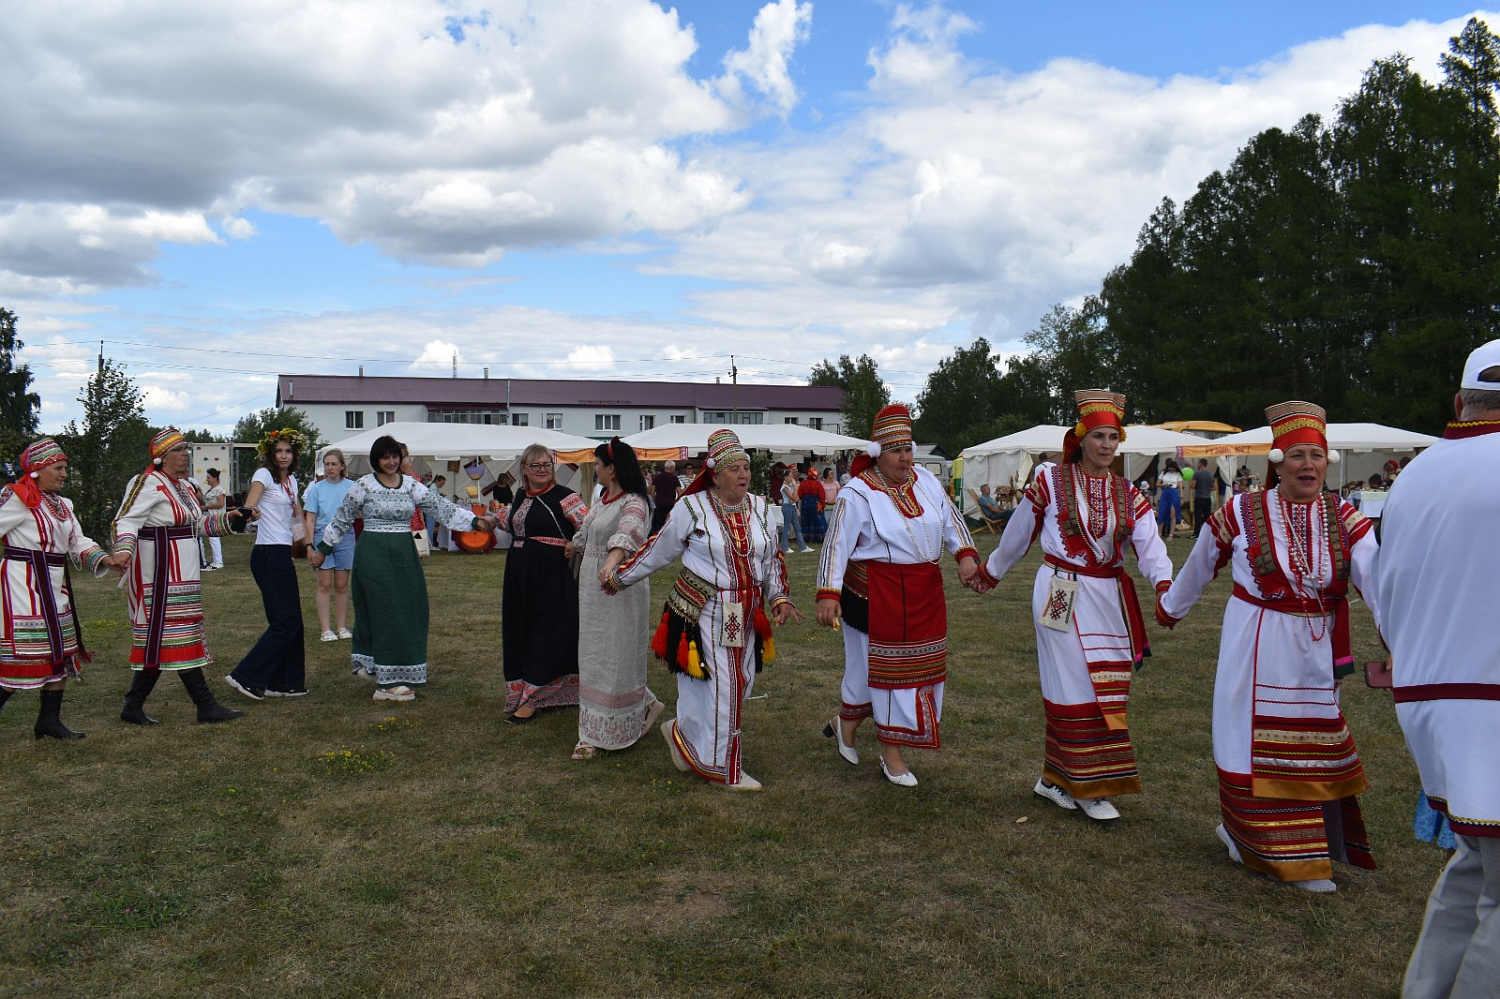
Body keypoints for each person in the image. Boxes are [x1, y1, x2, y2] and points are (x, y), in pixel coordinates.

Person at [1158, 401, 1379, 893]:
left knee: (1311, 738)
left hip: (1318, 648)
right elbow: (1199, 565)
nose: (1307, 465)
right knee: (1249, 741)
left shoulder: (1345, 516)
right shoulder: (1241, 510)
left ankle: (1300, 847)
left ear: (1328, 462)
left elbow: (1376, 579)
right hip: (1256, 641)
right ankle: (1266, 846)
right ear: (1277, 461)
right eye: (1297, 455)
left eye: (1316, 456)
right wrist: (1171, 607)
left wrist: (1398, 635)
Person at [971, 391, 1172, 821]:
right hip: (1060, 589)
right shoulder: (1050, 481)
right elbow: (1018, 534)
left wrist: (1164, 584)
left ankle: (1053, 779)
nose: (1106, 445)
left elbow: (1150, 545)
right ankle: (1087, 785)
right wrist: (991, 572)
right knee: (1072, 684)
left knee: (1110, 683)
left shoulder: (1128, 492)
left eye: (1112, 437)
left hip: (1108, 597)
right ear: (1081, 439)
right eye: (1098, 436)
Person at [1373, 339, 1500, 996]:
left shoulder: (1414, 474)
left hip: (1428, 697)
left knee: (1475, 867)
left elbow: (1382, 586)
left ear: (1460, 402)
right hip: (1489, 694)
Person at [606, 429, 802, 791]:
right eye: (734, 468)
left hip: (747, 610)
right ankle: (722, 769)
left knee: (739, 684)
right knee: (725, 687)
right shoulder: (691, 508)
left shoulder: (760, 507)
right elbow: (658, 550)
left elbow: (771, 557)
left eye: (745, 467)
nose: (743, 474)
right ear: (715, 472)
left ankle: (684, 734)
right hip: (707, 609)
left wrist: (780, 597)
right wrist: (619, 577)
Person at [816, 404, 980, 787]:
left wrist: (966, 554)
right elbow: (836, 544)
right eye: (896, 450)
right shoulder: (858, 492)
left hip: (923, 590)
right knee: (888, 675)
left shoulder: (925, 480)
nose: (905, 457)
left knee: (910, 670)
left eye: (908, 447)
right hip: (876, 594)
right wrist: (828, 591)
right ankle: (892, 754)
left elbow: (951, 518)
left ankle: (846, 723)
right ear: (878, 453)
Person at [309, 435, 494, 701]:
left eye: (395, 456)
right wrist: (322, 551)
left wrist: (474, 522)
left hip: (405, 556)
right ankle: (387, 683)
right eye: (385, 457)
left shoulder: (410, 485)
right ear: (376, 459)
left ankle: (385, 668)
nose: (391, 461)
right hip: (373, 556)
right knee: (384, 613)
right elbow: (341, 520)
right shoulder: (363, 486)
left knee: (409, 609)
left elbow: (440, 507)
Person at [112, 428, 246, 725]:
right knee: (171, 634)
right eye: (179, 449)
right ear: (161, 457)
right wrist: (123, 550)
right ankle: (205, 705)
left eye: (186, 448)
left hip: (183, 573)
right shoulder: (146, 483)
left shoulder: (184, 487)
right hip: (158, 574)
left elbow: (195, 525)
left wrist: (229, 519)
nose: (186, 453)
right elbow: (125, 520)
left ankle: (134, 706)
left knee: (165, 638)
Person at [0, 439, 123, 738]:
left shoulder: (63, 505)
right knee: (25, 656)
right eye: (58, 468)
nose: (65, 473)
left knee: (62, 651)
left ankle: (49, 720)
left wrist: (106, 557)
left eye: (65, 467)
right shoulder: (16, 497)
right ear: (37, 470)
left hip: (55, 585)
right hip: (22, 584)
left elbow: (76, 541)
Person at [571, 438, 663, 759]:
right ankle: (643, 705)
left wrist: (612, 562)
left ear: (611, 468)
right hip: (593, 590)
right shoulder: (602, 500)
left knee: (616, 652)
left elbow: (627, 532)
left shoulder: (635, 501)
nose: (595, 470)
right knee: (595, 651)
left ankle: (600, 732)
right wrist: (573, 546)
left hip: (619, 586)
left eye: (597, 464)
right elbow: (586, 533)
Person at [499, 444, 587, 722]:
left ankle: (535, 697)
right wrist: (490, 520)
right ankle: (522, 689)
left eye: (546, 465)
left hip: (551, 573)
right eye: (535, 465)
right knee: (520, 628)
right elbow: (514, 523)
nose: (541, 470)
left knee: (546, 630)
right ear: (524, 469)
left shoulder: (565, 497)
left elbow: (592, 525)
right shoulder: (520, 496)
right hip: (518, 571)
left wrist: (575, 542)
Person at [225, 429, 310, 701]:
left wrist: (307, 546)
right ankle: (245, 677)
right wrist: (249, 513)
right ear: (271, 454)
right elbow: (251, 502)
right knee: (286, 622)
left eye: (288, 451)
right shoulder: (264, 475)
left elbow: (296, 516)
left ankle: (286, 683)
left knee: (291, 621)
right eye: (279, 451)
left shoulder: (292, 481)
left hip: (282, 553)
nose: (284, 456)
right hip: (267, 554)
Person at [303, 448, 355, 642]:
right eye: (327, 464)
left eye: (334, 464)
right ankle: (326, 629)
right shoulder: (316, 488)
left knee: (342, 584)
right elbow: (310, 519)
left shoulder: (351, 486)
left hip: (345, 534)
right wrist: (309, 545)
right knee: (324, 583)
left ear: (342, 466)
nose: (330, 468)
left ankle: (341, 626)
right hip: (322, 534)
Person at [778, 468, 810, 553]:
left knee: (797, 527)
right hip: (787, 507)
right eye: (789, 476)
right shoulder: (784, 487)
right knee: (787, 527)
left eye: (792, 476)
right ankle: (784, 547)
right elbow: (792, 497)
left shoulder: (790, 486)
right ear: (785, 477)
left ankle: (802, 546)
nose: (791, 478)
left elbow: (795, 499)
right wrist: (796, 489)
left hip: (791, 506)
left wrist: (794, 494)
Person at [202, 468, 226, 570]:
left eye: (209, 478)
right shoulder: (211, 490)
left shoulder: (219, 489)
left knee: (214, 538)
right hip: (210, 516)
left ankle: (219, 561)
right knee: (212, 538)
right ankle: (216, 560)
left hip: (216, 516)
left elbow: (221, 504)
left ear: (215, 478)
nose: (207, 480)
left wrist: (206, 507)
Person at [649, 459, 680, 536]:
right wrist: (676, 502)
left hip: (659, 503)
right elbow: (680, 492)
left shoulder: (657, 478)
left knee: (659, 523)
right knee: (670, 523)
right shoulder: (675, 479)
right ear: (671, 468)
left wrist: (655, 500)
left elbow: (652, 491)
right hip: (670, 503)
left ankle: (656, 538)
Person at [798, 467, 827, 544]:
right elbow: (822, 495)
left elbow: (800, 494)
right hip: (816, 503)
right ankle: (818, 537)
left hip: (805, 503)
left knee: (806, 520)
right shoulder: (818, 484)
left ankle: (806, 537)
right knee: (818, 520)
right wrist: (823, 505)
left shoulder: (803, 483)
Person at [1156, 459, 1183, 538]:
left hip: (1174, 493)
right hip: (1165, 493)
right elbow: (1157, 484)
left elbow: (1180, 486)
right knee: (1162, 512)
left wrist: (1181, 497)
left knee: (1172, 514)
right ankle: (1159, 534)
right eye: (1170, 469)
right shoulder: (1163, 473)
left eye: (1173, 469)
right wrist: (1164, 485)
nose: (1171, 470)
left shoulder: (1178, 474)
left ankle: (1171, 534)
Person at [1192, 457, 1214, 536]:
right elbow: (1214, 487)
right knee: (1207, 516)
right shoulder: (1210, 475)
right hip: (1207, 498)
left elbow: (1193, 485)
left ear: (1200, 464)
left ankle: (1197, 533)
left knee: (1198, 515)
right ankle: (1207, 533)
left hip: (1199, 497)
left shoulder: (1197, 473)